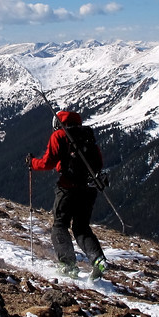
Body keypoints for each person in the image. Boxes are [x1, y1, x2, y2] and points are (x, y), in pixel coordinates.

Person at [27, 110, 108, 280]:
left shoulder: (59, 135)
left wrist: (32, 163)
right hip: (88, 189)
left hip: (67, 188)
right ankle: (98, 260)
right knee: (81, 227)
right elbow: (99, 162)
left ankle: (68, 265)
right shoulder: (87, 135)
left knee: (60, 225)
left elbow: (48, 162)